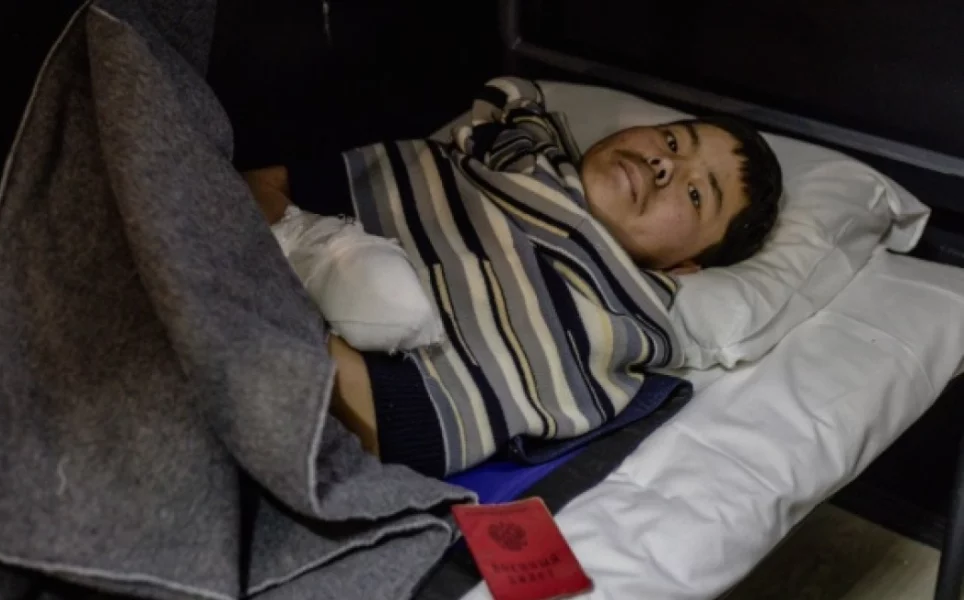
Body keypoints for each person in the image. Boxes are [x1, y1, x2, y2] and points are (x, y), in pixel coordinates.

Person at [244, 77, 783, 477]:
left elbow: (356, 409)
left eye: (695, 194)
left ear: (685, 267)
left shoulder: (597, 331)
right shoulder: (490, 159)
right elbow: (255, 185)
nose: (664, 166)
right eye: (672, 141)